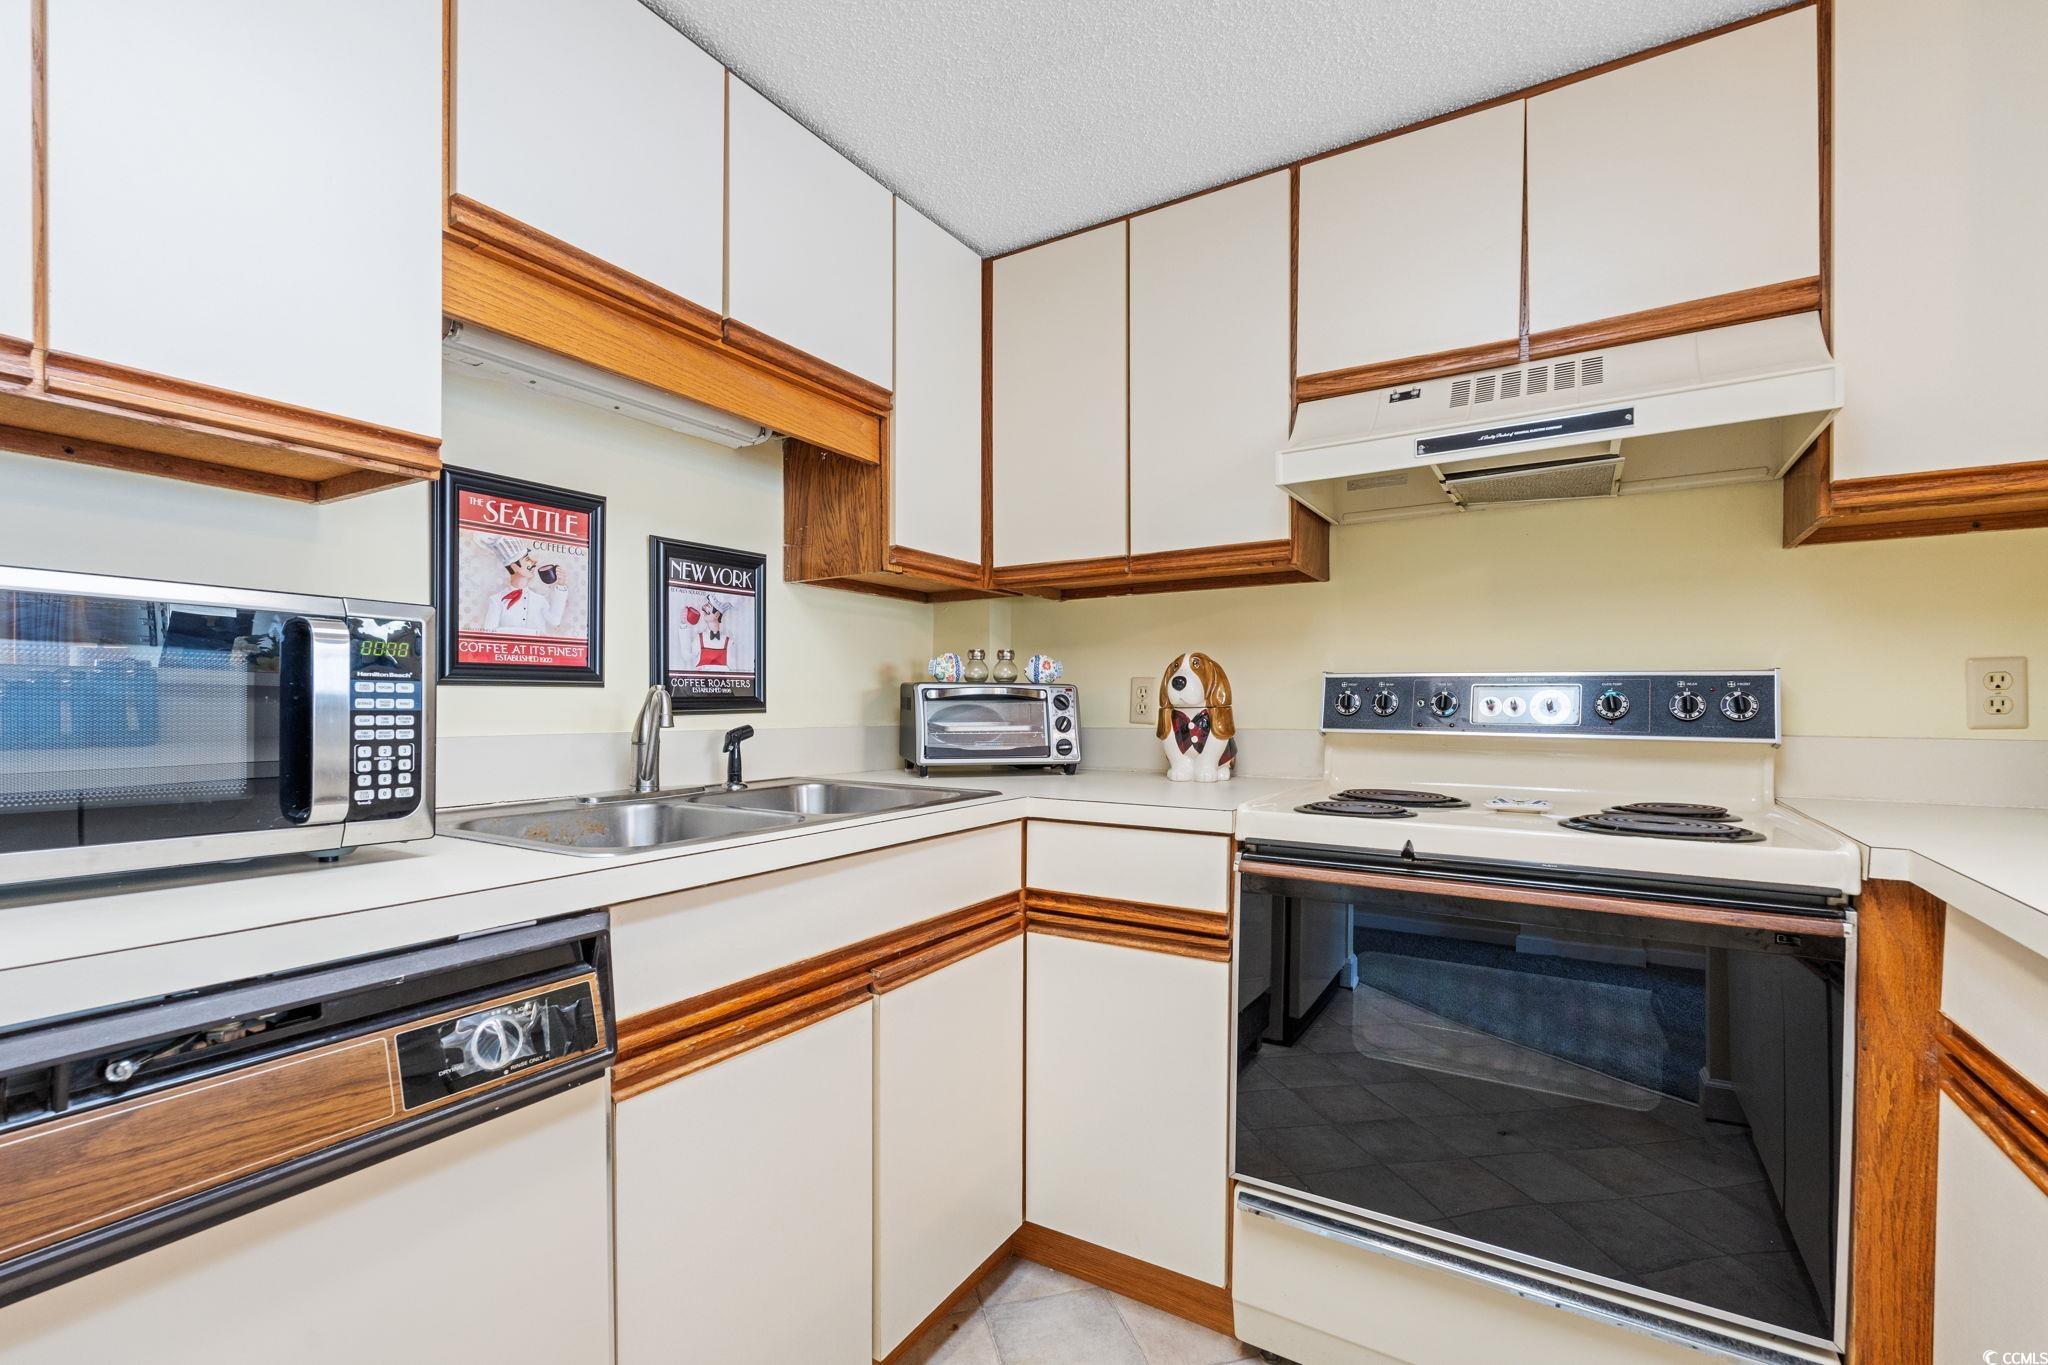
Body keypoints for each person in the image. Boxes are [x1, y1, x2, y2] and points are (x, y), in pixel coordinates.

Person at [479, 535, 571, 635]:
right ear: (514, 566)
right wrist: (534, 633)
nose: (534, 562)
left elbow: (555, 621)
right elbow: (489, 632)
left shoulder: (540, 600)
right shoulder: (496, 600)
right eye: (527, 559)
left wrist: (561, 586)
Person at [683, 597, 731, 669]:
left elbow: (732, 669)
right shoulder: (699, 639)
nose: (703, 608)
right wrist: (683, 624)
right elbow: (686, 656)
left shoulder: (729, 642)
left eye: (708, 606)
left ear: (717, 615)